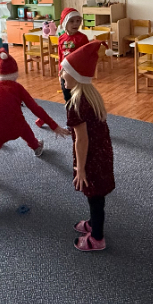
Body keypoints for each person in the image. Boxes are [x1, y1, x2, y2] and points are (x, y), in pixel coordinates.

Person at [0, 50, 70, 212]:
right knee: (24, 127)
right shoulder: (17, 87)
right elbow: (35, 108)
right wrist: (54, 126)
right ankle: (36, 146)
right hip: (17, 127)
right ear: (14, 74)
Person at [60, 40, 115, 252]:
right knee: (96, 194)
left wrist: (80, 169)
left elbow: (81, 140)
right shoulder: (91, 95)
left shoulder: (76, 104)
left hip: (91, 157)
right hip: (102, 152)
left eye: (65, 71)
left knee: (94, 196)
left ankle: (97, 238)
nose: (61, 75)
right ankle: (93, 223)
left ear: (76, 76)